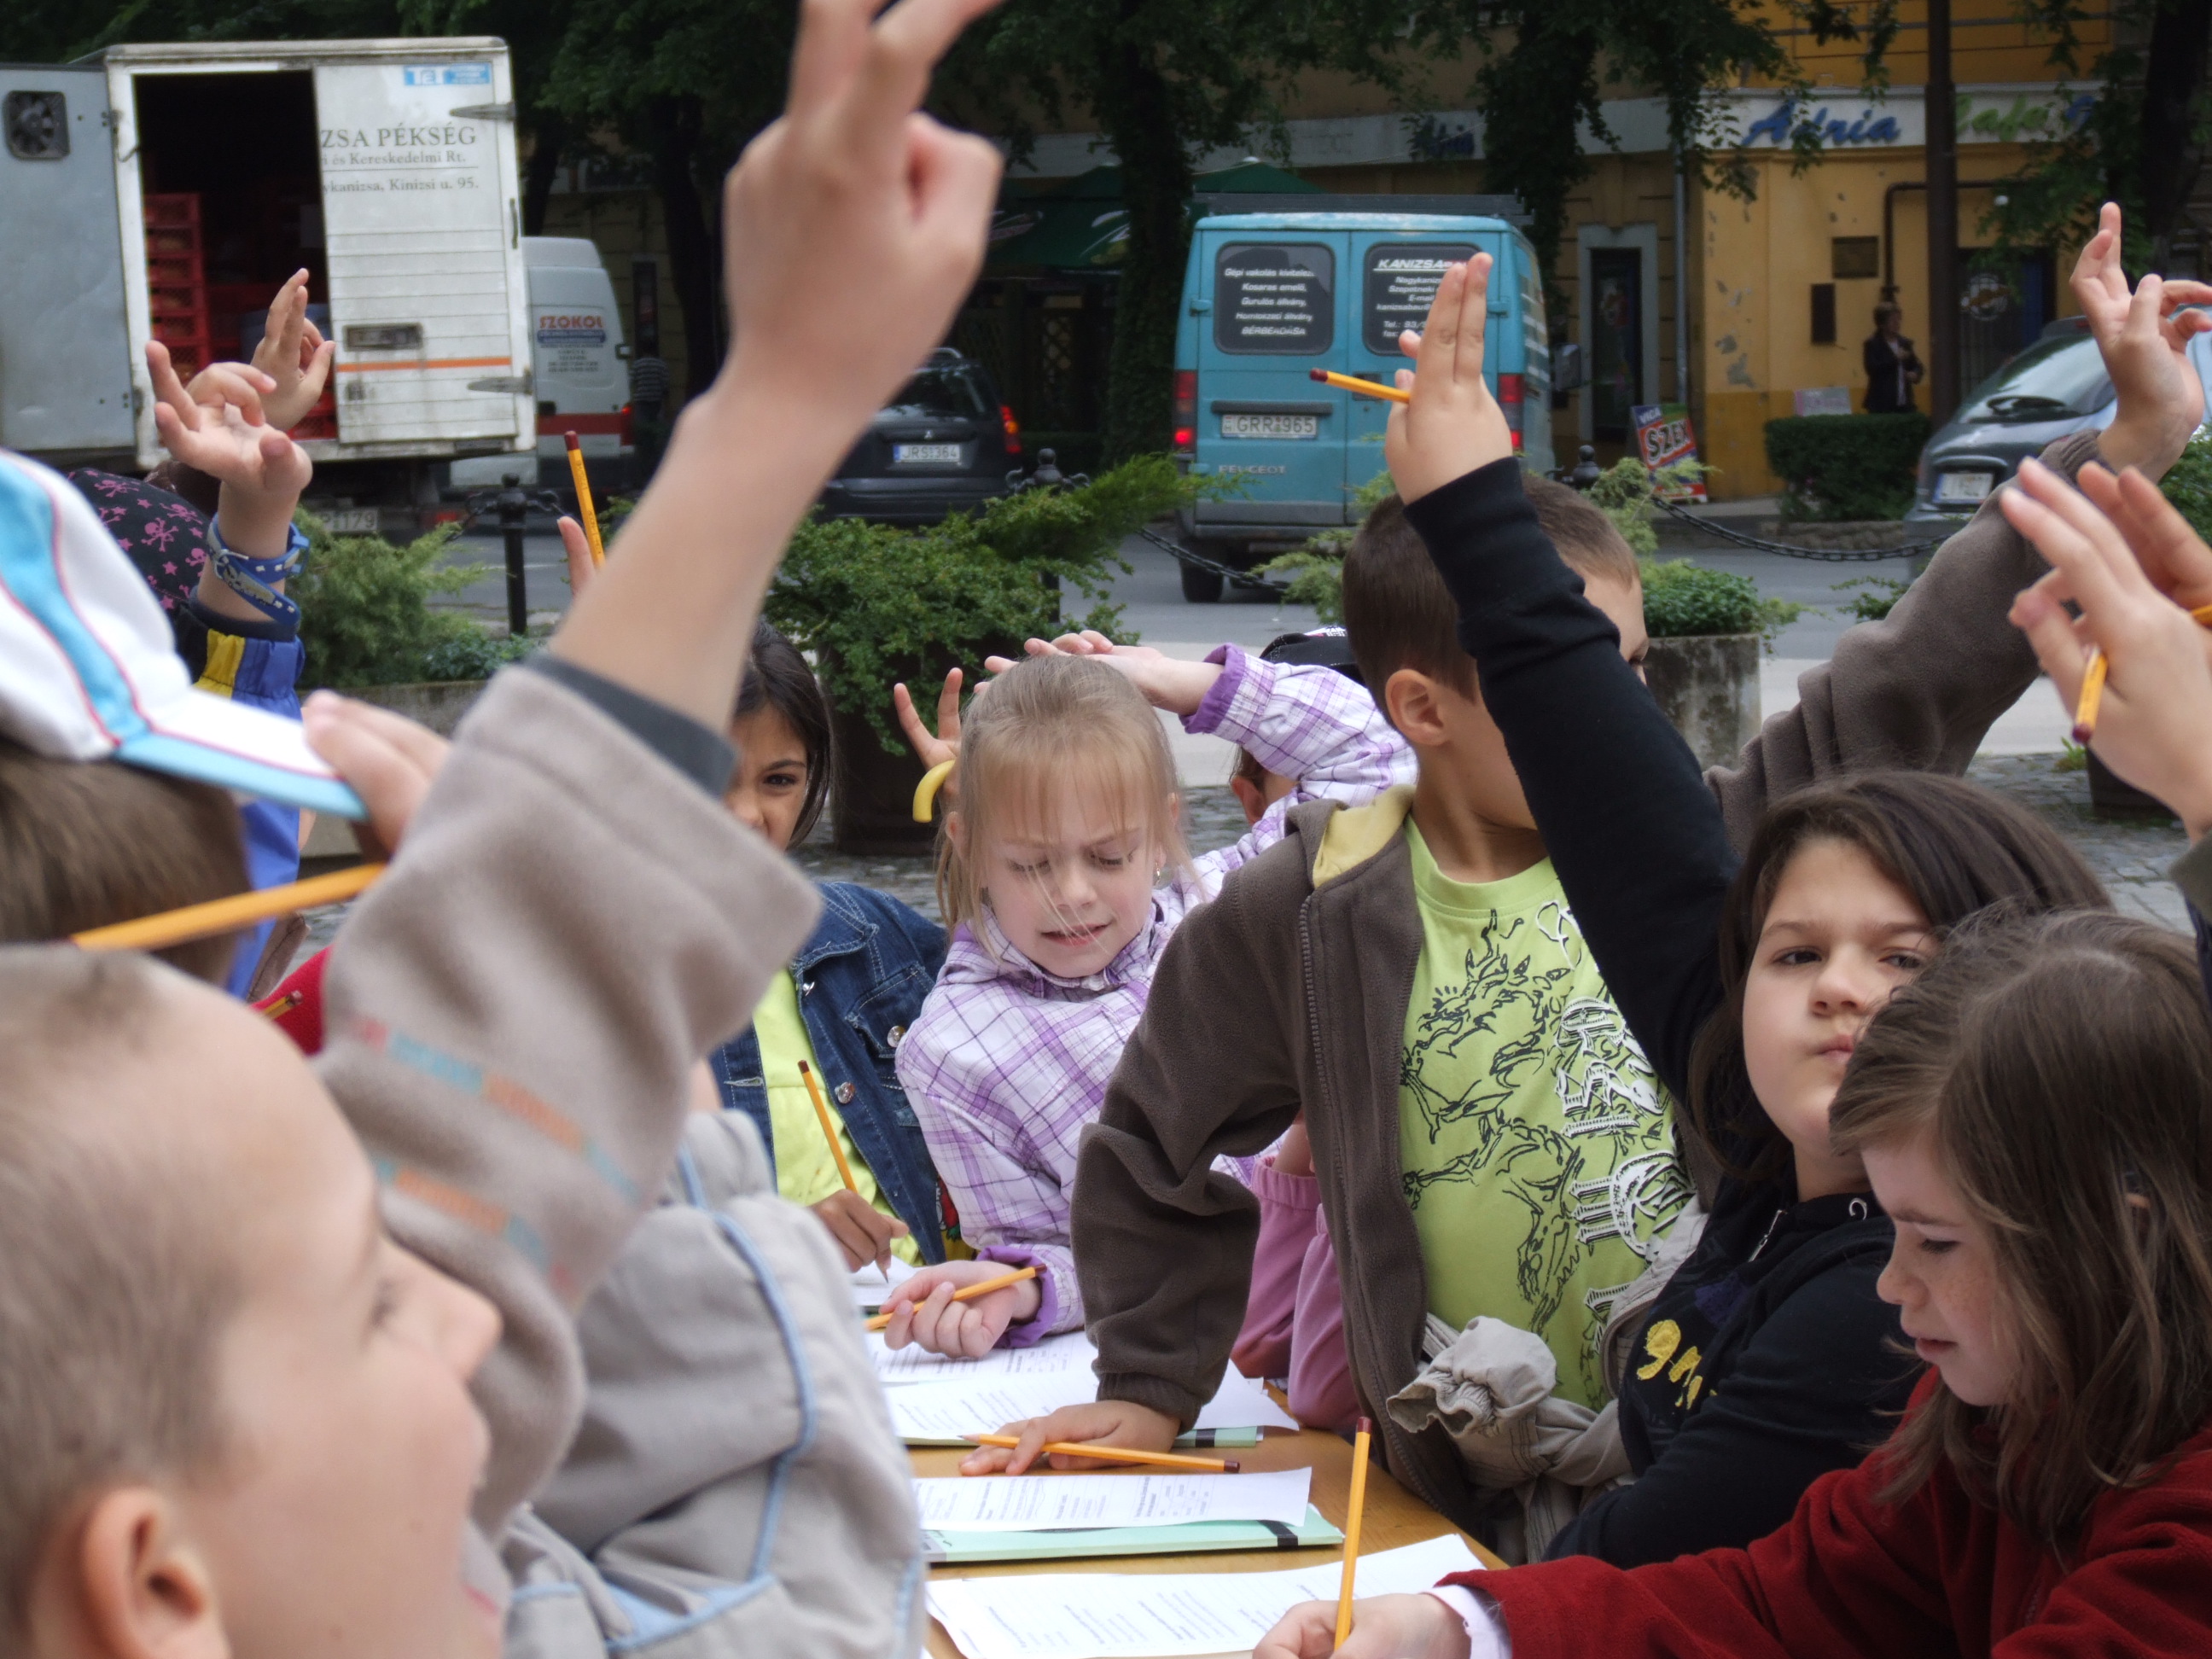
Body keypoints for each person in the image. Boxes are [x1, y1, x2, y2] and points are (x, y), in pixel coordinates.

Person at [0, 10, 1007, 1659]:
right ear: (158, 1586)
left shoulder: (225, 1474)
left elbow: (459, 1186)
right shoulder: (414, 1589)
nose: (476, 1316)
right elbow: (772, 1578)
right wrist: (775, 401)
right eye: (375, 1288)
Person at [985, 204, 2209, 1543]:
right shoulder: (1310, 907)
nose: (1614, 708)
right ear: (1423, 707)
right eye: (1567, 673)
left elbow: (1922, 662)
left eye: (1628, 668)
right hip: (1465, 1493)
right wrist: (1150, 1386)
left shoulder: (1733, 845)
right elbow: (1153, 1142)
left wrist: (2124, 447)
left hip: (1727, 1478)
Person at [876, 636, 1414, 1355]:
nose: (1073, 894)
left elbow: (1381, 758)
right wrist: (1022, 1288)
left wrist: (1185, 683)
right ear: (967, 844)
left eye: (1109, 856)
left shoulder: (1232, 902)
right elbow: (1070, 1254)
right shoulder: (947, 1057)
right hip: (1206, 1361)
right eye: (1031, 864)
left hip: (1379, 1301)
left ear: (1162, 833)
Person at [705, 620, 953, 1268]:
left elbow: (1038, 983)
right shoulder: (595, 977)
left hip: (914, 1318)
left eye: (779, 780)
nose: (747, 815)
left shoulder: (870, 937)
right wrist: (778, 1243)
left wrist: (988, 818)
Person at [1862, 300, 1924, 414]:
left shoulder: (1905, 343)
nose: (1897, 323)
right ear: (1882, 324)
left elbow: (1917, 365)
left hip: (1905, 404)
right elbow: (1872, 369)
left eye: (1898, 319)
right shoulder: (1873, 344)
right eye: (1892, 320)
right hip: (1882, 404)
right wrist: (1895, 359)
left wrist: (1915, 374)